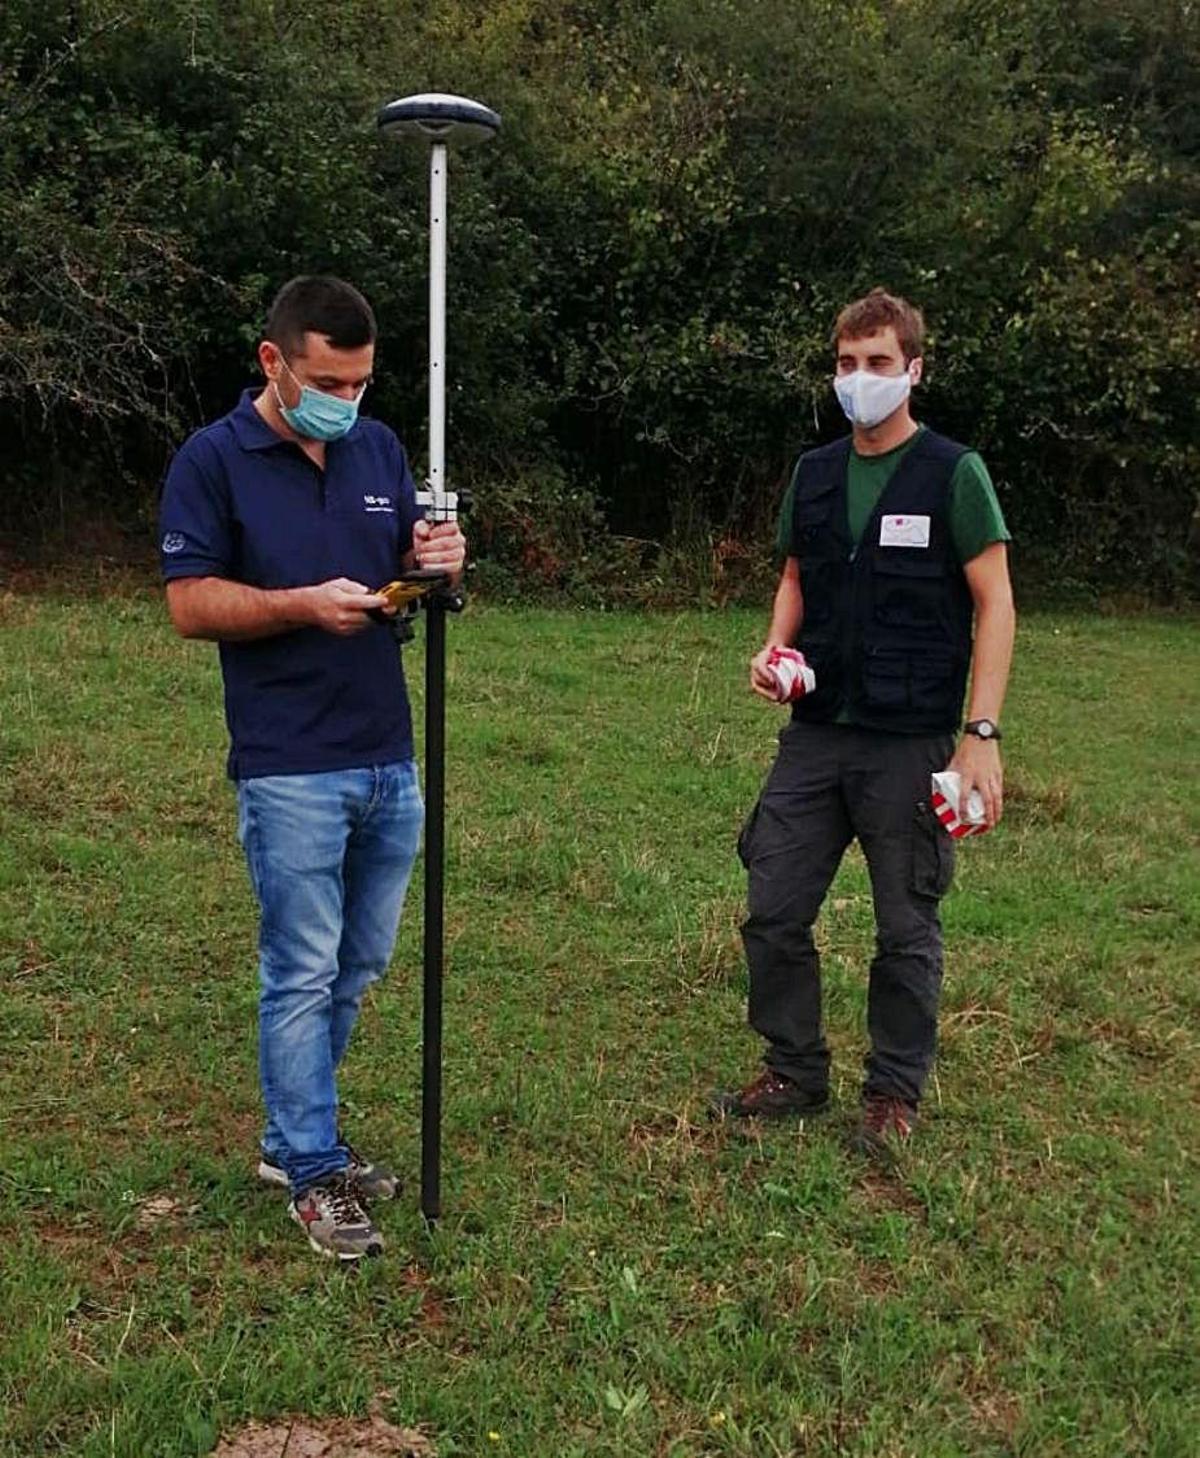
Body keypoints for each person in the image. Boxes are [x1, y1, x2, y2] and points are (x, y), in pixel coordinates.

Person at [159, 276, 465, 1259]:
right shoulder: (213, 460)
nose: (348, 399)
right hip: (289, 762)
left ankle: (297, 1137)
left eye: (364, 382)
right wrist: (299, 603)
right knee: (300, 968)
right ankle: (311, 1166)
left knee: (358, 962)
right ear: (273, 362)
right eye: (329, 379)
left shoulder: (376, 450)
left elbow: (409, 585)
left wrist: (441, 564)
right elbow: (191, 602)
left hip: (387, 749)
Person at [717, 288, 1015, 1153]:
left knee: (905, 927)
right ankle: (795, 1069)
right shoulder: (813, 473)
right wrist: (774, 649)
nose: (861, 380)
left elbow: (995, 602)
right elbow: (796, 579)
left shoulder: (953, 473)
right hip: (816, 734)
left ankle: (892, 1093)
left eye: (879, 363)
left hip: (912, 740)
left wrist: (980, 735)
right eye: (847, 365)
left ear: (914, 370)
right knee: (772, 907)